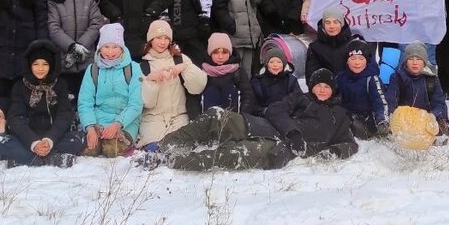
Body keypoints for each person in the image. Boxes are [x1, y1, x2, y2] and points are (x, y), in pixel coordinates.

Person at [142, 69, 358, 171]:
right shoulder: (300, 98)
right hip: (265, 125)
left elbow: (350, 144)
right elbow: (275, 110)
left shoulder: (338, 115)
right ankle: (164, 146)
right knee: (215, 116)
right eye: (318, 85)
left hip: (280, 149)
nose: (321, 90)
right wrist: (293, 131)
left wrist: (335, 151)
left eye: (326, 87)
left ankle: (172, 161)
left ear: (332, 90)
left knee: (232, 153)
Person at [0, 40, 85, 167]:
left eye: (45, 64)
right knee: (5, 143)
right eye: (36, 64)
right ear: (29, 65)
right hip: (27, 138)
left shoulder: (60, 85)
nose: (40, 68)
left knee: (76, 140)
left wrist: (50, 140)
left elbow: (64, 115)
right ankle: (51, 159)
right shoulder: (19, 86)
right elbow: (16, 118)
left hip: (53, 137)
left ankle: (26, 159)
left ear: (52, 66)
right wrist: (34, 142)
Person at [137, 20, 208, 146]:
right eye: (158, 38)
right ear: (150, 40)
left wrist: (186, 69)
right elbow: (146, 102)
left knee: (180, 150)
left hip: (179, 119)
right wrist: (150, 80)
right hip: (152, 121)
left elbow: (198, 87)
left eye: (166, 38)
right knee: (155, 151)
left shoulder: (181, 59)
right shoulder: (142, 66)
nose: (163, 42)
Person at [77, 24, 143, 158]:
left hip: (126, 123)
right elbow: (85, 102)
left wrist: (118, 124)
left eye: (115, 47)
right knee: (90, 150)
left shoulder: (133, 69)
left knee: (110, 149)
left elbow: (136, 103)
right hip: (98, 121)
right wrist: (90, 128)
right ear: (100, 48)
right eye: (106, 46)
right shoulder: (93, 70)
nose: (110, 52)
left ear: (122, 48)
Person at [47, 0, 108, 103]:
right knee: (65, 98)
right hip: (63, 61)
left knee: (86, 96)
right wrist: (71, 47)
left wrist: (80, 46)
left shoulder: (90, 0)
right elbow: (53, 27)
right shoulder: (55, 1)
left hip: (86, 59)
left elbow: (96, 24)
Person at [385, 41, 449, 133]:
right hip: (404, 120)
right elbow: (391, 100)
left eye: (419, 59)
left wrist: (432, 116)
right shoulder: (397, 78)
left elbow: (439, 104)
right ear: (405, 62)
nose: (415, 62)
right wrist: (392, 115)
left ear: (424, 62)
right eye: (411, 59)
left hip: (426, 119)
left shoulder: (432, 80)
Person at [334, 39, 389, 139]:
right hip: (347, 116)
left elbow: (380, 102)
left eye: (361, 59)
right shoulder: (340, 78)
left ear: (367, 61)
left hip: (367, 117)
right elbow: (334, 99)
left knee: (360, 129)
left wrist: (382, 120)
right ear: (347, 61)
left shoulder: (371, 79)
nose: (357, 62)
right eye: (353, 59)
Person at [200, 32, 256, 115]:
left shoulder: (237, 71)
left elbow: (247, 96)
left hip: (233, 121)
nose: (220, 57)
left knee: (229, 89)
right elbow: (194, 98)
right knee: (211, 91)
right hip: (209, 122)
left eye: (224, 52)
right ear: (210, 53)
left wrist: (243, 116)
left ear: (229, 53)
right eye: (216, 52)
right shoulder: (202, 71)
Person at [305, 6, 360, 79]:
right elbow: (312, 75)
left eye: (335, 22)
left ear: (341, 24)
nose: (332, 26)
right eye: (328, 23)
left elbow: (368, 70)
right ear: (323, 25)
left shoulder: (355, 44)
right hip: (326, 88)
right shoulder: (315, 47)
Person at [251, 43, 298, 112]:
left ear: (284, 64)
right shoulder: (258, 82)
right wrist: (265, 111)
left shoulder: (291, 81)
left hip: (287, 116)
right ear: (266, 64)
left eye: (279, 62)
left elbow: (298, 101)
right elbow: (252, 105)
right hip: (264, 117)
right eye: (271, 62)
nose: (275, 65)